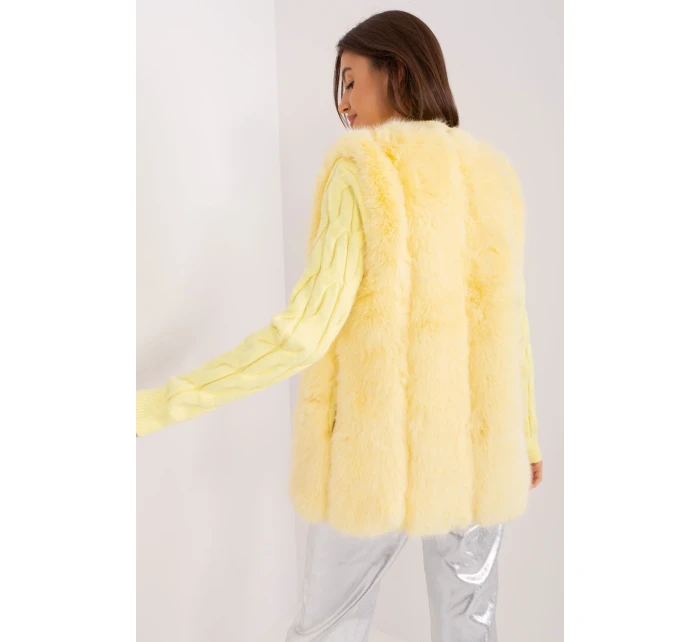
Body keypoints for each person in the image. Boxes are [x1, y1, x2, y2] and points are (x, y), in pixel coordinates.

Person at [136, 9, 544, 641]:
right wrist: (528, 439)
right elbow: (509, 322)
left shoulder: (364, 170)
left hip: (374, 460)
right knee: (472, 626)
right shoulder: (493, 175)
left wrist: (158, 405)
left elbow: (306, 329)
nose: (344, 104)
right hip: (480, 456)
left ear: (397, 71)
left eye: (351, 80)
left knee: (328, 628)